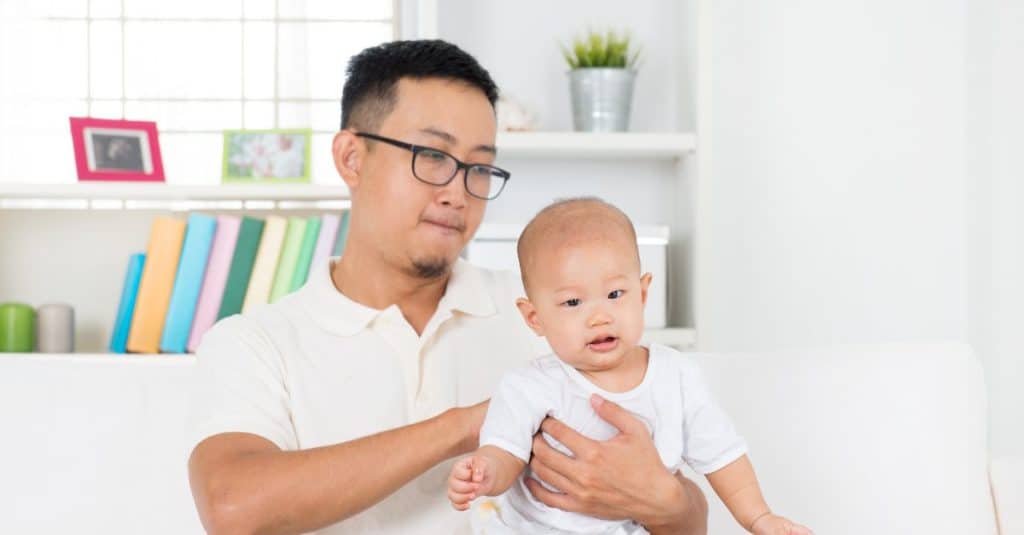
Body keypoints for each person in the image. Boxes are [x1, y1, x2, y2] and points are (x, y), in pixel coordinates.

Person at [187, 39, 710, 534]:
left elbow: (686, 515)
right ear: (351, 157)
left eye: (479, 167)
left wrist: (664, 500)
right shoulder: (256, 343)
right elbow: (233, 507)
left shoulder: (554, 315)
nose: (459, 192)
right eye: (432, 156)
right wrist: (470, 425)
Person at [448, 198, 814, 535]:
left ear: (642, 294)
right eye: (573, 302)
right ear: (534, 317)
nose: (599, 317)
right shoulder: (529, 385)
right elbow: (504, 450)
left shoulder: (676, 377)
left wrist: (758, 517)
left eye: (615, 294)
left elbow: (723, 455)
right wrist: (484, 472)